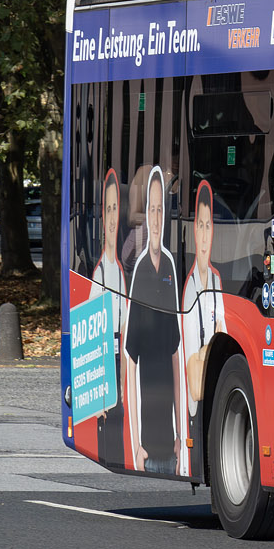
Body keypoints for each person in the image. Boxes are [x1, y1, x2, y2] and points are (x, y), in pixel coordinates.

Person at [123, 165, 183, 475]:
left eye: (162, 209)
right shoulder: (141, 269)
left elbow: (176, 355)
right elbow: (130, 364)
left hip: (170, 439)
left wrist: (180, 435)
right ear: (146, 213)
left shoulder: (171, 267)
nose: (157, 218)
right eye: (152, 209)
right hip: (147, 439)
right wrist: (136, 442)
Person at [180, 181, 226, 478]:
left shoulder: (218, 280)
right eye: (201, 226)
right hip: (197, 412)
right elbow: (195, 382)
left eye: (210, 226)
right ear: (194, 230)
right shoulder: (190, 290)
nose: (205, 235)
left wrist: (207, 351)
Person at [91, 168, 127, 468]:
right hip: (108, 363)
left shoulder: (124, 268)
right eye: (109, 208)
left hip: (124, 366)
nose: (113, 216)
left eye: (117, 208)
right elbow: (93, 336)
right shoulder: (100, 272)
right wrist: (102, 390)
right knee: (109, 439)